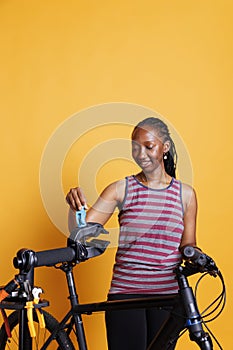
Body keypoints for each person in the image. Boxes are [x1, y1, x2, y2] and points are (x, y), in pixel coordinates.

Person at [66, 117, 197, 350]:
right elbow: (82, 231)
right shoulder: (121, 189)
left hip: (167, 296)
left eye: (148, 146)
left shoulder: (185, 195)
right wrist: (74, 206)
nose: (141, 154)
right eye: (135, 148)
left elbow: (188, 244)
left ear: (165, 147)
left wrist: (196, 256)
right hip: (126, 295)